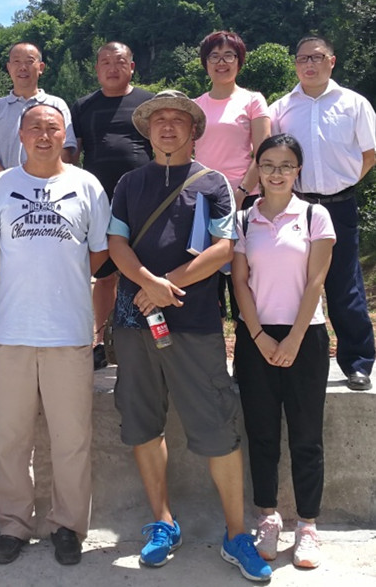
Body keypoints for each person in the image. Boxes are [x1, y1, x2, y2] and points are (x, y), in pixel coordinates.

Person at [108, 90, 272, 582]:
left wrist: (167, 285)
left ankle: (236, 533)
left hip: (194, 321)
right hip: (134, 320)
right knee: (142, 421)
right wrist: (147, 283)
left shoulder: (213, 182)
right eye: (158, 119)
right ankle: (163, 522)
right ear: (147, 130)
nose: (167, 126)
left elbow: (223, 247)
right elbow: (116, 242)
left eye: (177, 119)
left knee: (217, 425)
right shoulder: (129, 183)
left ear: (194, 130)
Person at [0, 103, 110, 566]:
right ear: (21, 135)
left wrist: (66, 280)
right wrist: (15, 279)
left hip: (68, 331)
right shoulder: (0, 186)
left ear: (64, 134)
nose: (44, 135)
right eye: (35, 127)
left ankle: (68, 525)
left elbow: (98, 252)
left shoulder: (87, 185)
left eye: (53, 128)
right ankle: (13, 525)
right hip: (12, 330)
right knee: (11, 437)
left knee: (72, 438)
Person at [232, 133, 335, 569]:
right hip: (255, 337)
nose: (276, 173)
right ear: (257, 169)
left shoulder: (315, 215)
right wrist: (259, 337)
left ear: (298, 171)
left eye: (286, 165)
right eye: (268, 165)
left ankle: (308, 525)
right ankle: (268, 516)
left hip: (305, 336)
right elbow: (239, 282)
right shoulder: (243, 219)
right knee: (262, 434)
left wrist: (293, 339)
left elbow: (316, 282)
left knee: (307, 436)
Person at [270, 35, 376, 391]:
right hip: (296, 205)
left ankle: (358, 363)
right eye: (302, 59)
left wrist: (343, 184)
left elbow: (370, 153)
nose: (309, 64)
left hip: (340, 205)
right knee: (294, 284)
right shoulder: (281, 108)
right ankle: (293, 358)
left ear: (332, 61)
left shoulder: (354, 103)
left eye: (316, 57)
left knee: (344, 285)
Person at [70, 41, 154, 370]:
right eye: (105, 62)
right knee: (104, 274)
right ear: (97, 69)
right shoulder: (83, 106)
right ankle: (102, 341)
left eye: (119, 61)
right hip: (98, 201)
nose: (112, 67)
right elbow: (73, 154)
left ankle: (146, 338)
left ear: (131, 66)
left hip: (143, 198)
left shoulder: (148, 102)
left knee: (144, 269)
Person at [194, 31, 271, 327]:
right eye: (214, 56)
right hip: (204, 200)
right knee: (207, 279)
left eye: (229, 55)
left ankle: (249, 347)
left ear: (239, 61)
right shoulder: (195, 106)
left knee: (245, 277)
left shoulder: (253, 100)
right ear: (205, 63)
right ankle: (210, 349)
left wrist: (239, 193)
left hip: (245, 198)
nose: (221, 62)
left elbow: (262, 153)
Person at [0, 42, 76, 178]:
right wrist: (5, 183)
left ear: (41, 67)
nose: (23, 67)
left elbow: (66, 148)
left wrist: (44, 180)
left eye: (29, 61)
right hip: (7, 186)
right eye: (16, 62)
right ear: (9, 67)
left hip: (48, 185)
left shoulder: (56, 105)